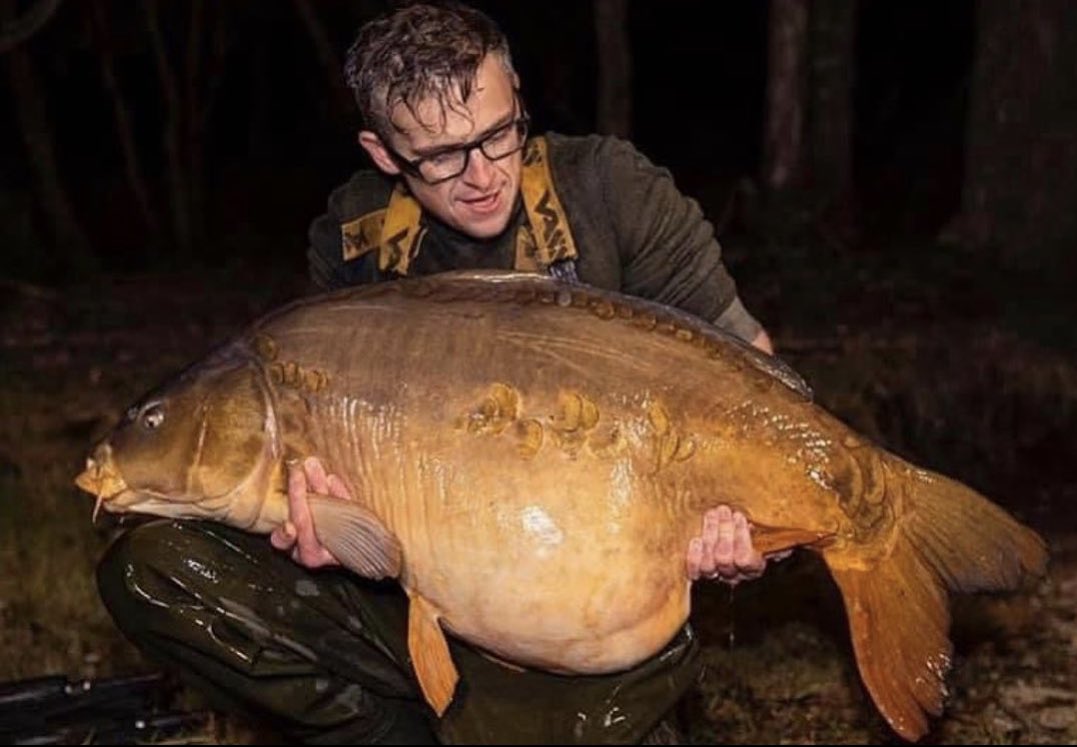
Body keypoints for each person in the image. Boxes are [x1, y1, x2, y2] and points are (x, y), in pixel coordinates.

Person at [96, 2, 785, 743]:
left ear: (517, 92)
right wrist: (323, 526)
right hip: (427, 586)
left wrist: (746, 519)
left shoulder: (608, 191)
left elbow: (752, 369)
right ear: (385, 152)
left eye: (498, 132)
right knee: (149, 568)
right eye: (444, 156)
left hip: (594, 598)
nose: (485, 174)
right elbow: (346, 496)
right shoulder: (356, 243)